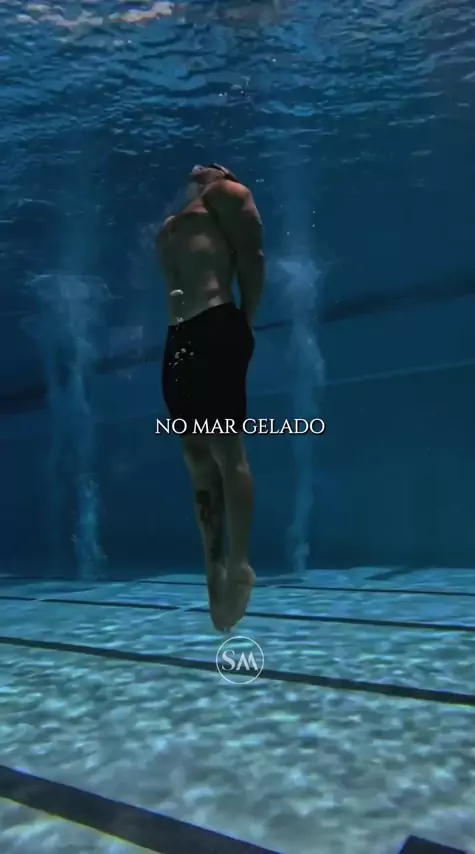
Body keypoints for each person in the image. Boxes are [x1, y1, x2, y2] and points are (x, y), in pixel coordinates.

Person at [156, 164, 265, 632]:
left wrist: (245, 325)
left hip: (216, 326)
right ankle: (213, 570)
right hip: (178, 340)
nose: (198, 168)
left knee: (225, 450)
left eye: (210, 166)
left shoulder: (227, 194)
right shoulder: (173, 222)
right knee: (195, 455)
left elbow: (252, 260)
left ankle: (238, 564)